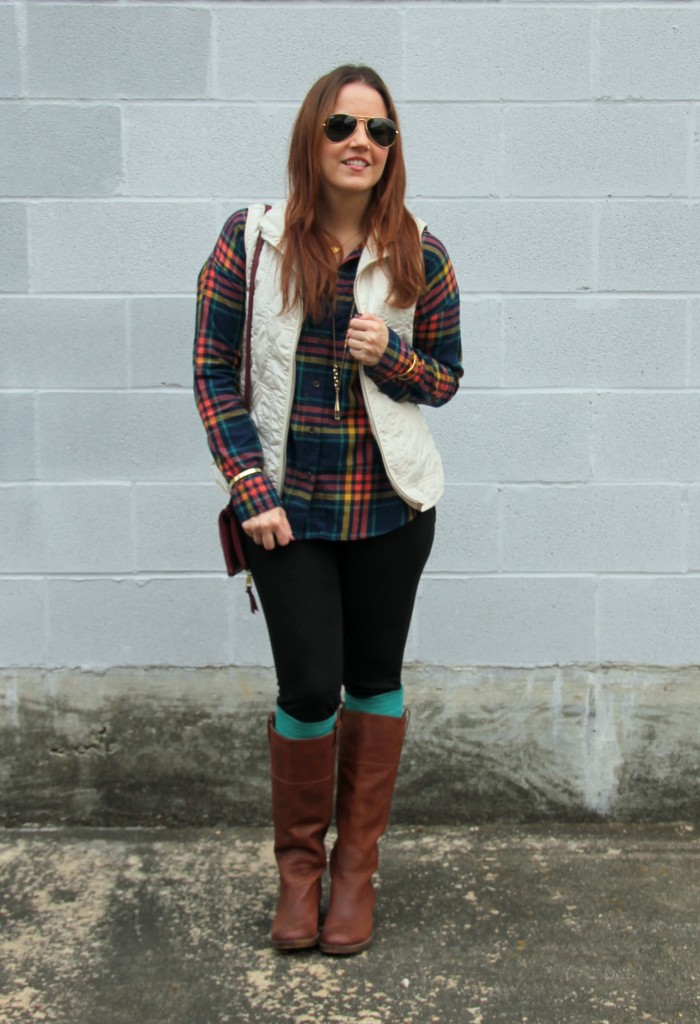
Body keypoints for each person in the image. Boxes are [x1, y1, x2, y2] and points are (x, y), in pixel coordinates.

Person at [193, 65, 462, 956]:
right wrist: (249, 488)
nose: (361, 143)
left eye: (379, 131)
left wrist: (392, 356)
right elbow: (213, 375)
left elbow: (447, 379)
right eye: (343, 126)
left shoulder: (422, 252)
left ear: (393, 151)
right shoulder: (252, 242)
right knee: (309, 685)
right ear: (313, 138)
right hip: (286, 511)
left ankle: (355, 874)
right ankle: (299, 874)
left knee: (374, 679)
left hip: (390, 508)